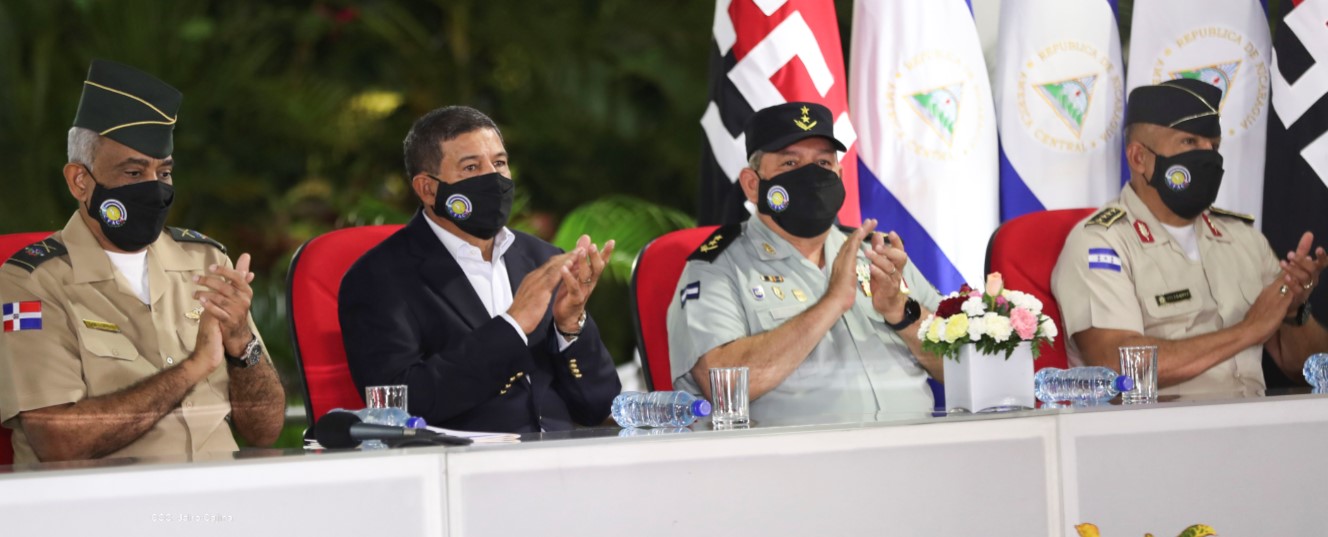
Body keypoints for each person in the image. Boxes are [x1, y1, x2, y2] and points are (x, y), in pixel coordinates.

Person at [0, 60, 285, 464]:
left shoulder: (206, 262)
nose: (154, 189)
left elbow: (266, 430)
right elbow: (57, 441)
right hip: (107, 499)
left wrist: (243, 344)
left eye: (163, 173)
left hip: (219, 490)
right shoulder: (30, 282)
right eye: (134, 173)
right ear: (80, 181)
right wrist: (192, 369)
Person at [339, 106, 620, 433]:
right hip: (460, 459)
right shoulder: (378, 277)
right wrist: (512, 326)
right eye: (471, 167)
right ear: (428, 189)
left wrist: (570, 328)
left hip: (563, 454)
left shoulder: (543, 259)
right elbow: (400, 406)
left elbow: (601, 405)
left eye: (499, 163)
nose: (494, 178)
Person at [667, 102, 945, 422]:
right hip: (797, 452)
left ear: (840, 175)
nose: (812, 175)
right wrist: (831, 303)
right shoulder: (718, 267)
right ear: (753, 184)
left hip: (917, 443)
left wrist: (901, 312)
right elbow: (721, 385)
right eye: (790, 162)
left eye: (823, 162)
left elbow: (961, 369)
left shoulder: (878, 254)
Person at [1051, 78, 1328, 397]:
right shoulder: (1102, 243)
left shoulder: (1245, 240)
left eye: (1214, 146)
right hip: (1163, 427)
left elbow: (1304, 369)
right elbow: (1115, 365)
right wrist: (1248, 330)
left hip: (1258, 421)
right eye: (1190, 142)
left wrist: (1294, 311)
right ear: (1139, 158)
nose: (1208, 156)